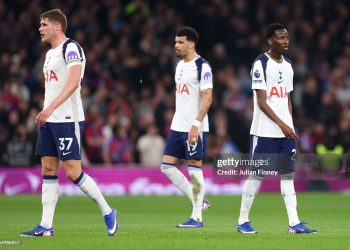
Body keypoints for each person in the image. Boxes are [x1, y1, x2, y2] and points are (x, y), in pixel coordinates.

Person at [20, 9, 118, 237]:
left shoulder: (70, 48)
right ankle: (45, 226)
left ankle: (108, 211)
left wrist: (51, 107)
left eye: (44, 24)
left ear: (57, 27)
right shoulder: (49, 54)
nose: (40, 28)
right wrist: (47, 111)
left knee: (73, 172)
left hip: (67, 119)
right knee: (48, 169)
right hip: (50, 120)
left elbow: (74, 82)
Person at [236, 23, 317, 234]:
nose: (286, 40)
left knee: (288, 175)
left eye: (287, 37)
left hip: (285, 132)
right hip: (265, 131)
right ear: (270, 40)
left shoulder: (289, 65)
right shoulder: (260, 63)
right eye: (281, 37)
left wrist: (289, 124)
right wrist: (282, 125)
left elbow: (287, 99)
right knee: (257, 175)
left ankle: (294, 223)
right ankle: (242, 220)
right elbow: (262, 102)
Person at [160, 27, 213, 228]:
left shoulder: (203, 66)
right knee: (166, 167)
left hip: (194, 127)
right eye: (175, 42)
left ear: (192, 43)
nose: (176, 45)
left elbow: (208, 97)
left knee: (194, 168)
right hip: (177, 125)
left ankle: (197, 217)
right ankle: (199, 201)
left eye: (180, 42)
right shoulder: (180, 65)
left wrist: (196, 125)